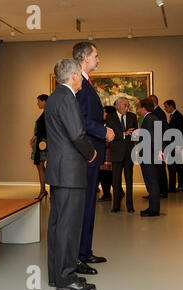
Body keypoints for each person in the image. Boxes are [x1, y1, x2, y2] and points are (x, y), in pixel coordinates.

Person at [45, 58, 97, 290]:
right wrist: (91, 154)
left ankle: (57, 275)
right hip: (70, 172)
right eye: (80, 75)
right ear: (74, 75)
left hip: (58, 171)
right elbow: (77, 135)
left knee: (57, 225)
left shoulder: (54, 97)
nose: (82, 80)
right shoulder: (68, 98)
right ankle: (67, 279)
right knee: (68, 227)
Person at [73, 41, 115, 275]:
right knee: (84, 207)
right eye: (96, 55)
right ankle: (78, 256)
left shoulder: (86, 82)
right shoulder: (78, 83)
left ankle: (85, 252)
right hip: (86, 154)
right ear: (85, 58)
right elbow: (79, 119)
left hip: (92, 154)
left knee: (89, 205)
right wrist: (103, 131)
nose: (99, 59)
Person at [106, 97, 138, 213]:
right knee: (116, 180)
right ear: (118, 106)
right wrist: (124, 134)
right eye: (125, 105)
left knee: (129, 180)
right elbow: (110, 134)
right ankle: (116, 205)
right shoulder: (110, 117)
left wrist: (135, 135)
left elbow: (135, 134)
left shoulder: (132, 117)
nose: (127, 107)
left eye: (128, 105)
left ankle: (130, 206)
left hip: (129, 153)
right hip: (116, 153)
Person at [136, 98, 164, 217]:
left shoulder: (148, 119)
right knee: (153, 182)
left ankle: (153, 209)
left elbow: (151, 138)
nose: (138, 110)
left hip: (148, 155)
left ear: (143, 108)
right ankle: (153, 207)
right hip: (153, 155)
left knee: (151, 182)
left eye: (139, 107)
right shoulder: (154, 118)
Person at [148, 94, 169, 198]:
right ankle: (157, 192)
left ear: (153, 102)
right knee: (157, 169)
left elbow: (161, 129)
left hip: (159, 144)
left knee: (160, 169)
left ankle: (163, 192)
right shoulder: (157, 112)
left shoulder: (158, 113)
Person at [163, 99, 183, 193]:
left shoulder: (178, 116)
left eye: (166, 106)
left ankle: (177, 186)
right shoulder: (173, 116)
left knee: (175, 166)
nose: (165, 109)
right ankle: (176, 186)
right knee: (175, 165)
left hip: (175, 144)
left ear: (171, 106)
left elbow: (178, 131)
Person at [30, 94, 49, 200]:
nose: (37, 103)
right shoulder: (46, 113)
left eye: (39, 101)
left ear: (44, 101)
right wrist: (34, 137)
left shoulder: (48, 113)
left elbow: (44, 129)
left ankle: (42, 191)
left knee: (40, 166)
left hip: (43, 143)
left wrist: (34, 137)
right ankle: (43, 190)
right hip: (41, 142)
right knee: (40, 166)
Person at [98, 105, 116, 201]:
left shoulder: (110, 125)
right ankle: (118, 191)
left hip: (108, 153)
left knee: (106, 174)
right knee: (106, 174)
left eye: (104, 112)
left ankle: (107, 194)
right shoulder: (104, 124)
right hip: (105, 153)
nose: (102, 114)